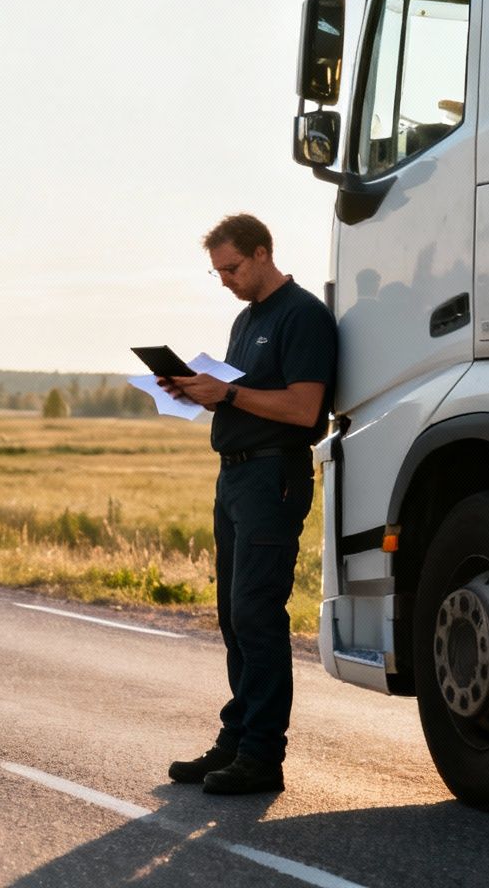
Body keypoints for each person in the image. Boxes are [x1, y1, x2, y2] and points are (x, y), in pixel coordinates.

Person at [162, 213, 337, 795]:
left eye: (231, 268)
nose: (225, 280)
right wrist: (201, 393)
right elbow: (243, 399)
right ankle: (235, 741)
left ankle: (263, 757)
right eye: (217, 271)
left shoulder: (304, 315)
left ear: (263, 253)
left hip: (272, 477)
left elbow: (305, 410)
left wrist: (228, 392)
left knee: (259, 617)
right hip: (233, 478)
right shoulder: (245, 320)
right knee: (235, 618)